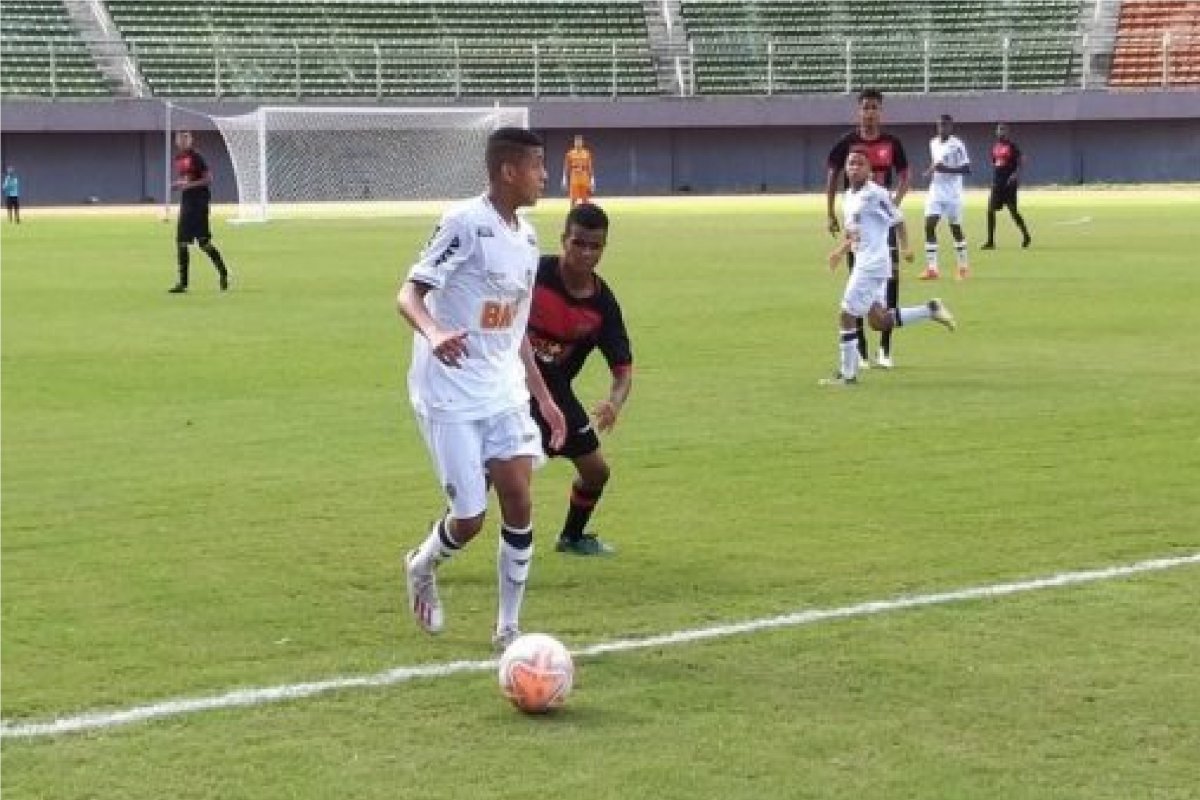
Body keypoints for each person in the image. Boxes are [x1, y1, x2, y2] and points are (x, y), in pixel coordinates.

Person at [397, 126, 567, 651]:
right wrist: (435, 332)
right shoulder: (463, 223)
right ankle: (422, 565)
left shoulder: (529, 237)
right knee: (469, 518)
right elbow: (408, 294)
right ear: (508, 171)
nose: (545, 175)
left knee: (519, 498)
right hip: (448, 389)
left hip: (502, 388)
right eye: (538, 165)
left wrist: (543, 397)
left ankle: (508, 627)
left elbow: (513, 330)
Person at [527, 202, 632, 557]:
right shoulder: (533, 273)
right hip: (508, 388)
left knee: (596, 472)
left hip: (555, 395)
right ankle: (445, 535)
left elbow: (623, 369)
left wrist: (614, 402)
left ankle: (571, 537)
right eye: (578, 243)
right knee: (492, 476)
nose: (586, 253)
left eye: (595, 246)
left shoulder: (602, 305)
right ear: (563, 240)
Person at [820, 147, 957, 387]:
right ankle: (931, 309)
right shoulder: (849, 196)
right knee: (878, 321)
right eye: (851, 163)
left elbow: (898, 219)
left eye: (860, 164)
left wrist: (905, 247)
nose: (854, 167)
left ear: (870, 171)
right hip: (865, 260)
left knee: (846, 314)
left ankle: (848, 375)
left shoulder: (876, 194)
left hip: (871, 264)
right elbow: (856, 232)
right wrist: (840, 252)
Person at [826, 88, 910, 370]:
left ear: (880, 111)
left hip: (881, 219)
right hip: (859, 223)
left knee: (889, 287)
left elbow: (905, 176)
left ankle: (885, 349)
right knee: (857, 285)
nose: (869, 112)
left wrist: (892, 205)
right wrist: (829, 212)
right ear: (858, 110)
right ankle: (860, 351)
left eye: (874, 107)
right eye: (865, 107)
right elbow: (832, 174)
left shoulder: (892, 142)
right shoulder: (847, 142)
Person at [169, 131, 230, 293]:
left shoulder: (197, 157)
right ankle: (183, 283)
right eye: (180, 138)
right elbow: (187, 179)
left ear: (190, 140)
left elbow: (208, 179)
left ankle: (223, 272)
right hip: (187, 203)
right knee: (181, 242)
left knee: (203, 243)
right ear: (176, 141)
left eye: (186, 138)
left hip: (199, 204)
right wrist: (179, 183)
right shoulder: (179, 159)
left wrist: (187, 186)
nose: (183, 141)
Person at [920, 114, 972, 281]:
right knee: (929, 225)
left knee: (955, 228)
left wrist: (946, 169)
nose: (942, 128)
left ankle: (963, 267)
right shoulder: (933, 142)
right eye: (939, 125)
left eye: (945, 125)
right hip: (936, 191)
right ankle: (932, 269)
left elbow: (967, 169)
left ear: (951, 127)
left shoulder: (957, 145)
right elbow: (937, 163)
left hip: (953, 194)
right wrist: (930, 171)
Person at [982, 122, 1032, 250]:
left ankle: (1026, 235)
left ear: (1007, 132)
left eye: (1003, 130)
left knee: (1013, 211)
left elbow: (1022, 161)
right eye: (999, 130)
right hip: (996, 184)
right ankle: (990, 241)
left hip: (1009, 185)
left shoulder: (1013, 147)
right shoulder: (995, 147)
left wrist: (1015, 174)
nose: (1000, 132)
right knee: (990, 211)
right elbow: (995, 163)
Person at [562, 134, 595, 206]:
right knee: (573, 199)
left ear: (582, 142)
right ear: (574, 143)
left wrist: (592, 180)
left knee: (586, 200)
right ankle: (573, 214)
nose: (578, 143)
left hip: (584, 177)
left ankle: (585, 215)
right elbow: (566, 167)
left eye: (579, 141)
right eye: (576, 141)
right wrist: (564, 179)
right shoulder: (570, 153)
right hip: (574, 177)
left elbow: (590, 167)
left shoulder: (586, 153)